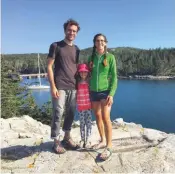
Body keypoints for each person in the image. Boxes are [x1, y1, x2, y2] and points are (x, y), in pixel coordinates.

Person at [47, 19, 80, 154]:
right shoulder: (56, 46)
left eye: (74, 31)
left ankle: (67, 137)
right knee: (58, 112)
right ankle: (56, 142)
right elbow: (49, 66)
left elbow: (76, 67)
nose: (71, 33)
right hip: (59, 85)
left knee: (71, 113)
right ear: (65, 30)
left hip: (73, 85)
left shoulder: (77, 49)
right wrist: (53, 86)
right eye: (69, 30)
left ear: (76, 33)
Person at [88, 33, 117, 161]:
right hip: (93, 91)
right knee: (98, 116)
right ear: (94, 43)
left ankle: (109, 146)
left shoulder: (110, 57)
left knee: (106, 117)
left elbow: (114, 77)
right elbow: (87, 74)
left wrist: (111, 94)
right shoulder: (91, 57)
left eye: (102, 40)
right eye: (97, 40)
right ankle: (102, 140)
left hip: (105, 91)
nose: (100, 42)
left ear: (105, 43)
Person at [76, 63, 92, 149]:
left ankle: (88, 140)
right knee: (82, 124)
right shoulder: (77, 83)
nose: (83, 74)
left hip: (88, 106)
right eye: (81, 72)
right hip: (81, 107)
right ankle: (82, 140)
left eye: (85, 72)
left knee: (88, 124)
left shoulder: (89, 82)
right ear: (79, 73)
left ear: (88, 73)